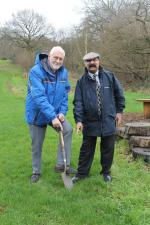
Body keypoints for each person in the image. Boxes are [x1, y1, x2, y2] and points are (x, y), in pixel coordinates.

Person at [72, 52, 125, 183]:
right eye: (88, 61)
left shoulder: (109, 77)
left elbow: (119, 94)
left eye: (94, 60)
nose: (92, 63)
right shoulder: (81, 82)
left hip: (108, 119)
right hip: (89, 121)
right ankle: (82, 174)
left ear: (99, 61)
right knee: (86, 149)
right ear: (85, 64)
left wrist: (119, 112)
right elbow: (78, 102)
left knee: (108, 147)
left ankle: (106, 172)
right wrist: (78, 120)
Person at [25, 46, 76, 183]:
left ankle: (62, 165)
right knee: (37, 144)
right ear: (49, 56)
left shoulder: (63, 73)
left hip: (55, 113)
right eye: (55, 57)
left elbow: (65, 94)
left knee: (68, 130)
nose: (58, 61)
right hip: (38, 114)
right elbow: (39, 97)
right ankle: (36, 171)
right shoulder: (36, 72)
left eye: (61, 59)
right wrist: (52, 116)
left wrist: (61, 113)